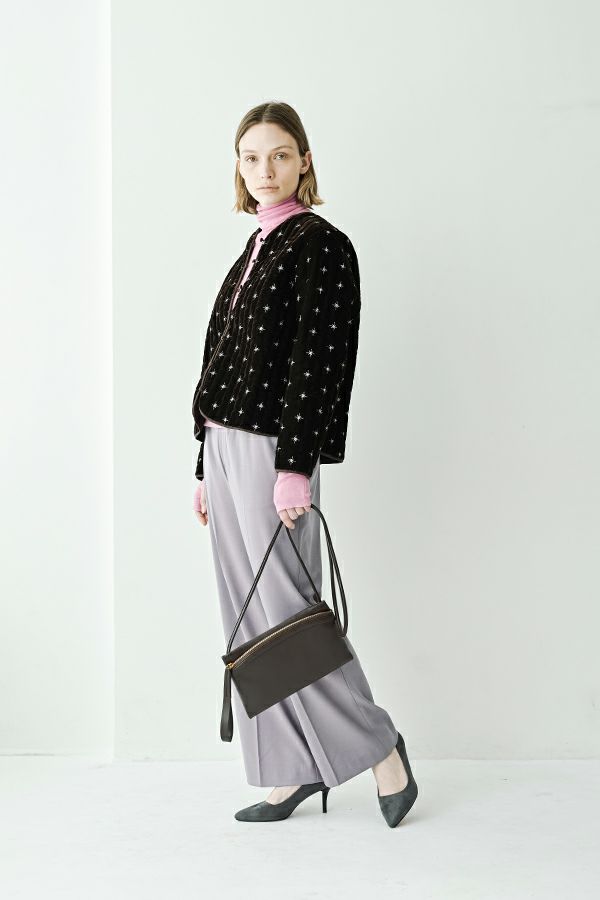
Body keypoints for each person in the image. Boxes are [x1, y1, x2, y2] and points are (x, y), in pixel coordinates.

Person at [191, 101, 418, 826]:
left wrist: (295, 466)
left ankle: (380, 748)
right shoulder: (254, 246)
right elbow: (220, 357)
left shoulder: (321, 245)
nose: (265, 169)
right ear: (238, 166)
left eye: (280, 155)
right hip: (224, 447)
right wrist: (202, 463)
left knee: (288, 610)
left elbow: (317, 366)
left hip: (270, 449)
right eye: (251, 157)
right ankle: (288, 769)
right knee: (248, 618)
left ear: (304, 161)